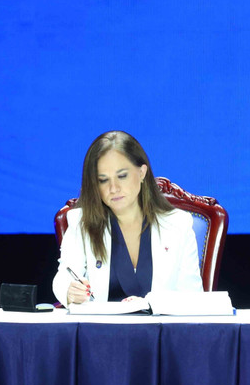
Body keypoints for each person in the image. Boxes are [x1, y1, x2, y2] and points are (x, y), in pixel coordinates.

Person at [53, 131, 203, 306]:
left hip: (162, 330)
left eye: (122, 176)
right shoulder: (82, 222)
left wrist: (149, 304)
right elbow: (64, 276)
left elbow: (192, 296)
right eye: (103, 180)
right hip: (100, 331)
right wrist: (70, 292)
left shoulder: (178, 224)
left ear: (142, 172)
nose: (113, 188)